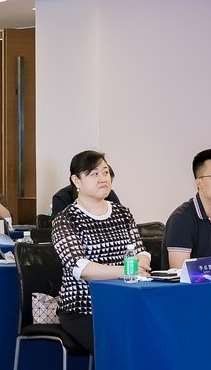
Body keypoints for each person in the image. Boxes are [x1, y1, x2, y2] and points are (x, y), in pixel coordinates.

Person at [52, 151, 150, 354]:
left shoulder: (122, 213)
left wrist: (139, 263)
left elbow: (141, 252)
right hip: (83, 308)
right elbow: (82, 268)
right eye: (94, 174)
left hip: (124, 301)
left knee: (157, 335)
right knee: (122, 347)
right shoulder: (65, 219)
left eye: (105, 172)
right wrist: (126, 270)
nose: (103, 178)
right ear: (76, 181)